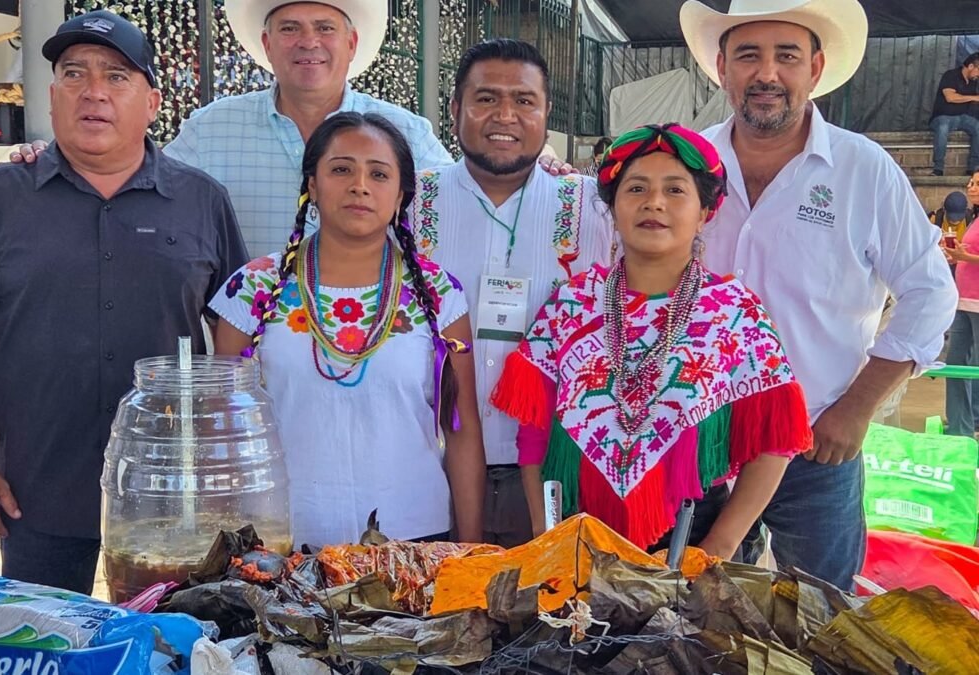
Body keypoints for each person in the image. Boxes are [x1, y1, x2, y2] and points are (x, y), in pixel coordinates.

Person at [0, 10, 248, 594]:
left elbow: (236, 336)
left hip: (170, 493)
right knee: (47, 644)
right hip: (35, 489)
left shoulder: (201, 201)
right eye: (75, 74)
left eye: (117, 76)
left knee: (173, 648)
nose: (94, 92)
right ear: (51, 96)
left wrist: (224, 464)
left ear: (152, 103)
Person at [679, 0, 957, 589]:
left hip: (816, 444)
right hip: (696, 441)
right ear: (722, 68)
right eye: (749, 55)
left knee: (822, 614)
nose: (767, 74)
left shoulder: (864, 170)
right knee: (690, 617)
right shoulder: (685, 163)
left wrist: (856, 410)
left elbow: (931, 292)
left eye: (787, 56)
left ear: (817, 68)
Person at [11, 1, 572, 257]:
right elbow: (138, 177)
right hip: (242, 355)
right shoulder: (211, 128)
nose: (309, 42)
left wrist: (535, 171)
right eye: (291, 28)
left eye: (325, 27)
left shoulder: (400, 129)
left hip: (365, 346)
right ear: (266, 44)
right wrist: (64, 156)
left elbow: (464, 195)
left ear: (351, 44)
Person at [491, 124, 812, 556]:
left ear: (704, 212)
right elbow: (534, 433)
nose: (654, 202)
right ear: (614, 208)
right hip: (580, 535)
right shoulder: (573, 304)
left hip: (696, 536)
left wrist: (719, 544)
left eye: (675, 190)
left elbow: (775, 441)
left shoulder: (733, 312)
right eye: (636, 188)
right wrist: (546, 535)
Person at [210, 111, 486, 546]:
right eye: (341, 169)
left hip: (414, 539)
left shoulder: (437, 293)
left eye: (379, 174)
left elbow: (462, 427)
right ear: (313, 187)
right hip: (281, 542)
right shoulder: (252, 291)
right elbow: (223, 433)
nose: (360, 185)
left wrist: (472, 550)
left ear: (400, 196)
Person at [407, 39, 613, 548]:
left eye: (524, 101)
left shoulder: (596, 208)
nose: (505, 115)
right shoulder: (408, 205)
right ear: (455, 109)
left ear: (546, 114)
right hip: (432, 468)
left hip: (557, 467)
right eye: (486, 98)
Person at [944, 171, 979, 436]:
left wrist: (966, 257)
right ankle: (959, 427)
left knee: (975, 367)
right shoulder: (973, 220)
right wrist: (957, 256)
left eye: (977, 184)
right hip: (963, 301)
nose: (971, 187)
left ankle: (974, 420)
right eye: (970, 183)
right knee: (956, 363)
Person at [929, 52, 979, 177]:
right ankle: (938, 168)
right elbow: (950, 97)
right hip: (943, 117)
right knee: (942, 128)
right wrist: (974, 97)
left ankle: (973, 168)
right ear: (971, 66)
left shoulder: (973, 82)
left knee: (978, 127)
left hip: (963, 118)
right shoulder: (950, 75)